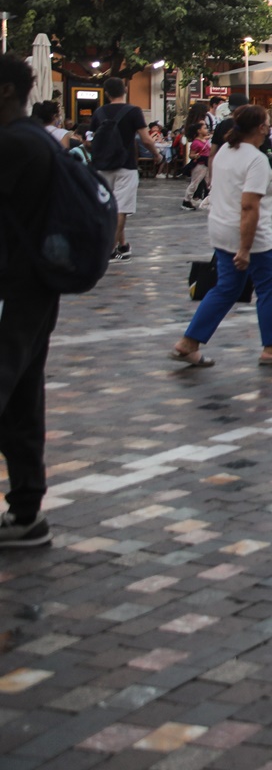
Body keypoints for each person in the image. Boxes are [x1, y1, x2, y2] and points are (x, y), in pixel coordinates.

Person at [169, 106, 272, 367]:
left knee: (226, 288)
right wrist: (244, 248)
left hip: (220, 228)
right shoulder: (254, 159)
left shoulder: (224, 154)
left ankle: (189, 342)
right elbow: (249, 205)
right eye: (267, 123)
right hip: (251, 234)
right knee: (269, 286)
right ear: (262, 128)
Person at [0, 55, 64, 548]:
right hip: (32, 289)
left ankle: (26, 509)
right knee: (22, 398)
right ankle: (26, 510)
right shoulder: (37, 141)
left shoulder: (14, 145)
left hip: (13, 289)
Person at [88, 77, 159, 261]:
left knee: (108, 207)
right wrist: (156, 154)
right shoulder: (134, 111)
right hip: (126, 165)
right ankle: (110, 250)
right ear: (125, 90)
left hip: (102, 166)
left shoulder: (99, 112)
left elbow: (89, 140)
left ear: (106, 93)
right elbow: (145, 139)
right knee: (121, 209)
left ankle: (123, 246)